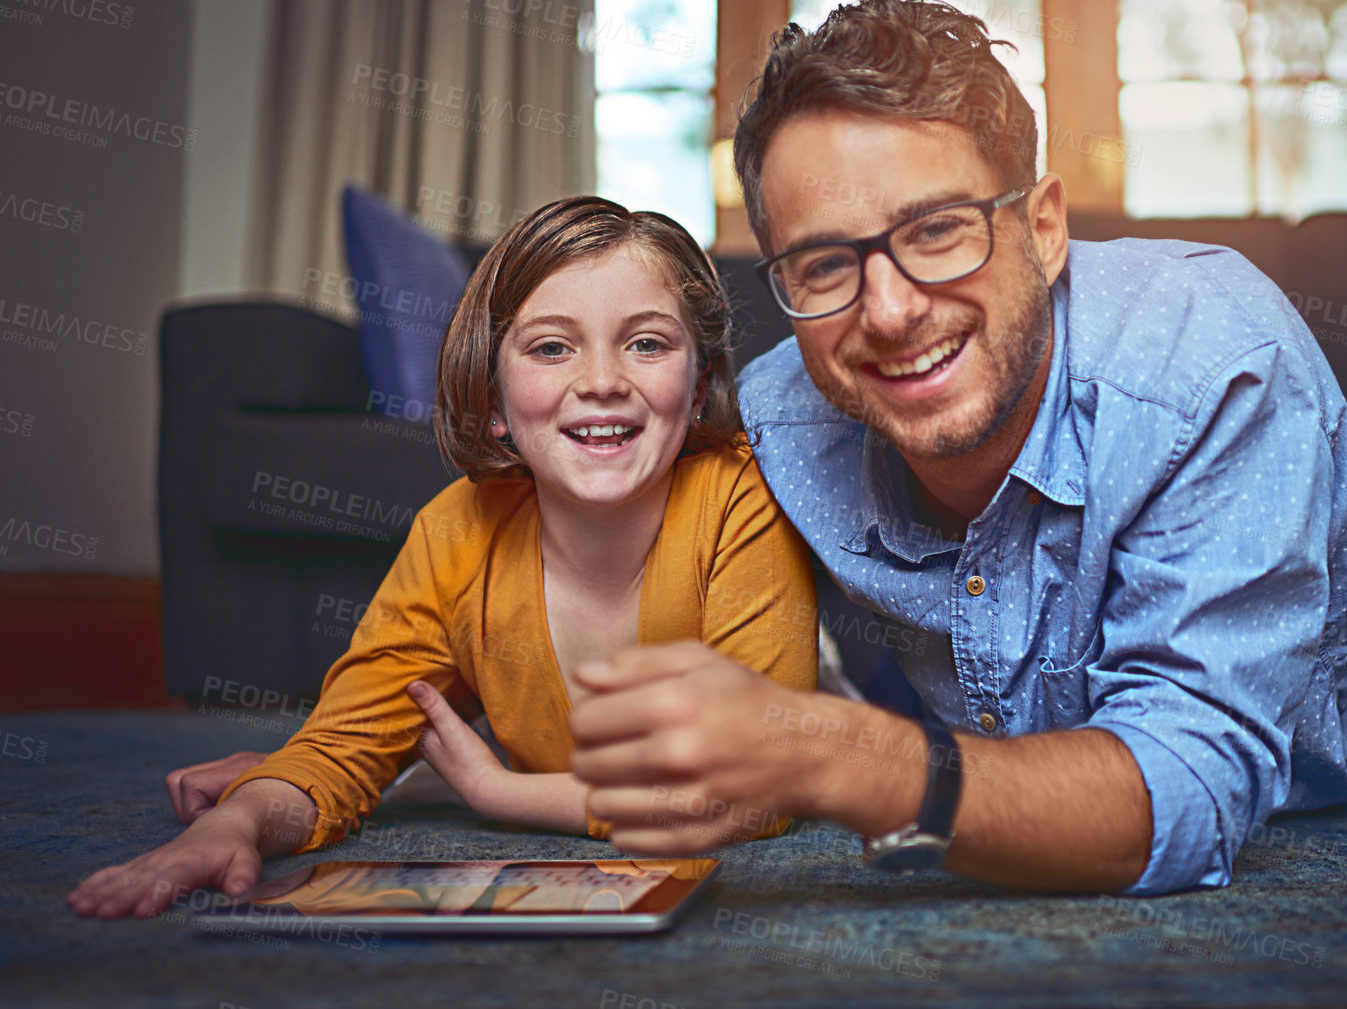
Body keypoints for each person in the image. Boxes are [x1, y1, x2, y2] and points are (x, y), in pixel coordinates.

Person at [561, 0, 1347, 896]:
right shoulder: (776, 421)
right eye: (826, 262)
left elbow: (1189, 792)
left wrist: (831, 753)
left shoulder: (1215, 363)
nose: (891, 310)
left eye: (939, 229)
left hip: (1279, 821)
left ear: (1043, 227)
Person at [68, 196, 817, 919]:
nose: (600, 381)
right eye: (551, 347)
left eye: (647, 343)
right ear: (492, 402)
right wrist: (241, 819)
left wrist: (502, 793)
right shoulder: (457, 530)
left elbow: (751, 788)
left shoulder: (740, 495)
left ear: (698, 389)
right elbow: (339, 749)